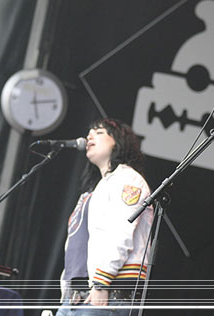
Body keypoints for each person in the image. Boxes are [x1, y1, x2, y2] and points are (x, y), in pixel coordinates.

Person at [56, 118, 153, 316]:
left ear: (117, 142)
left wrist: (101, 282)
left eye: (99, 132)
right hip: (77, 296)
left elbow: (121, 232)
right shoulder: (93, 191)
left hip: (108, 292)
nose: (90, 136)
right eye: (89, 133)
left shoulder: (128, 179)